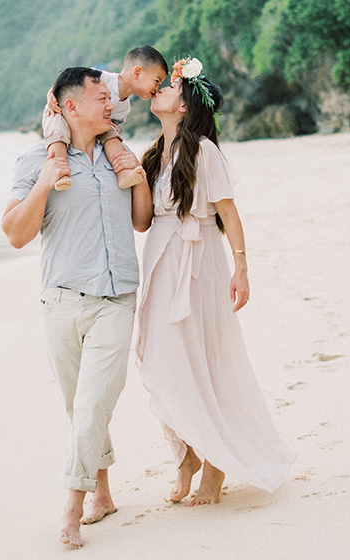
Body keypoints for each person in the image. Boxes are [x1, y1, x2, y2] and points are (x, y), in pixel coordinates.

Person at [2, 66, 153, 548]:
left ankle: (72, 505)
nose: (110, 105)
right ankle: (104, 493)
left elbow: (142, 221)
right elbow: (15, 234)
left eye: (110, 98)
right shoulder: (36, 160)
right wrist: (46, 183)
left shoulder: (119, 158)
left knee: (91, 403)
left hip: (116, 298)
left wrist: (139, 175)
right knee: (79, 408)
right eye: (100, 98)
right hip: (61, 301)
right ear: (69, 107)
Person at [136, 57, 297, 506]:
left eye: (170, 88)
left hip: (198, 260)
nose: (160, 90)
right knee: (167, 360)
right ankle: (186, 451)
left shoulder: (203, 150)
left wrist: (240, 267)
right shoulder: (154, 153)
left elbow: (228, 212)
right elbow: (144, 222)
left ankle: (215, 464)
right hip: (161, 260)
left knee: (203, 358)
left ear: (185, 107)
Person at [42, 46, 167, 192]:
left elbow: (106, 127)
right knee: (58, 133)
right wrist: (51, 93)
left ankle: (123, 171)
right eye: (157, 81)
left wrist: (111, 127)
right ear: (137, 72)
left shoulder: (124, 108)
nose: (157, 88)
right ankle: (60, 172)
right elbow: (69, 80)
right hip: (59, 112)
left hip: (94, 125)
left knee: (112, 135)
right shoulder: (100, 78)